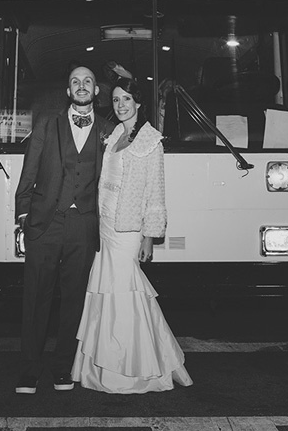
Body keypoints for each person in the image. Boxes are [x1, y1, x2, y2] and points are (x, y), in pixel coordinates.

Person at [71, 77, 193, 393]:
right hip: (104, 224)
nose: (121, 105)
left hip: (128, 229)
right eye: (115, 100)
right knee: (103, 291)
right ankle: (98, 366)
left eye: (126, 99)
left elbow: (155, 192)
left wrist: (150, 236)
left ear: (138, 103)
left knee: (125, 290)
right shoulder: (112, 137)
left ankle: (136, 369)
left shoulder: (151, 141)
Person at [14, 65, 115, 394]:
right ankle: (29, 369)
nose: (82, 86)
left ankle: (62, 367)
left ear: (96, 91)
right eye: (75, 81)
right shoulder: (47, 122)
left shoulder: (107, 130)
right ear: (68, 92)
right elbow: (29, 170)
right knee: (36, 298)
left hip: (83, 224)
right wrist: (22, 218)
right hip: (45, 223)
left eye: (88, 80)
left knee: (74, 300)